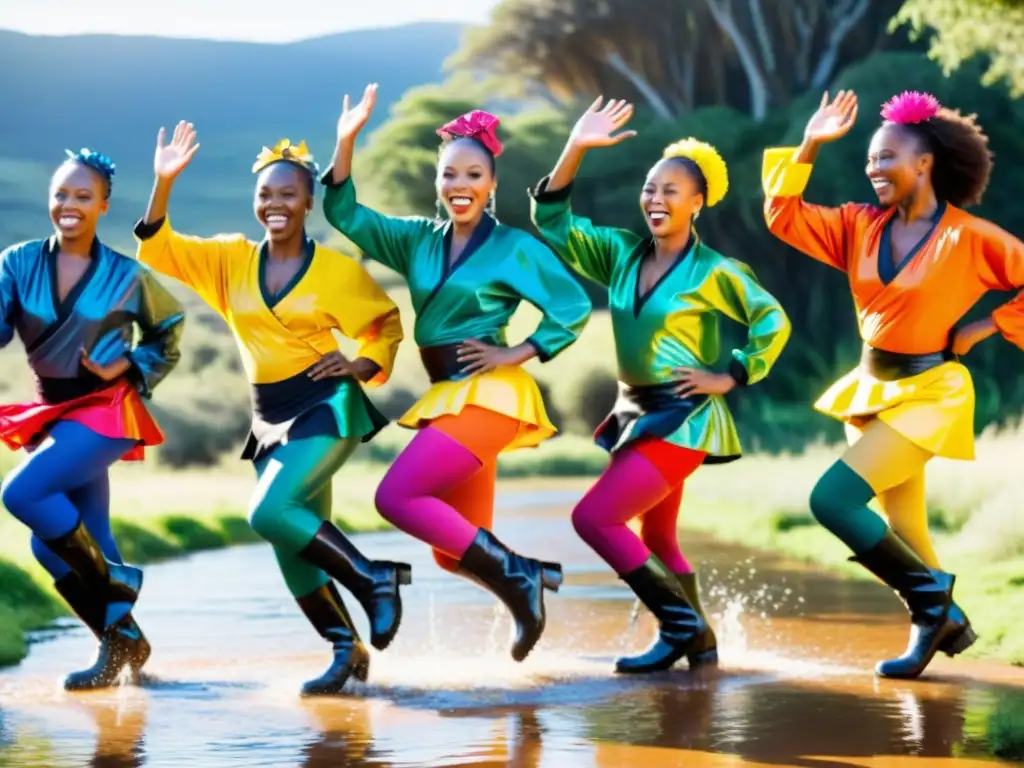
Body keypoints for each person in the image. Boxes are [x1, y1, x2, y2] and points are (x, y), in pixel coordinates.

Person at [133, 124, 409, 695]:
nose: (275, 204)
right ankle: (345, 649)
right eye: (265, 194)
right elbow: (157, 247)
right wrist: (163, 183)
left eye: (288, 193)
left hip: (326, 405)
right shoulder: (229, 260)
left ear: (310, 200)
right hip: (268, 417)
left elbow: (383, 323)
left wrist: (360, 365)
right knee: (293, 546)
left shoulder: (337, 270)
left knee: (268, 511)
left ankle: (374, 578)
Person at [321, 84, 592, 662]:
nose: (459, 187)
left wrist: (513, 352)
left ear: (491, 184)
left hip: (492, 393)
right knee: (451, 552)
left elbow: (569, 306)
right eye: (449, 176)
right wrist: (347, 141)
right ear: (437, 182)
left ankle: (520, 576)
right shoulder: (417, 240)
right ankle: (527, 582)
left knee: (396, 497)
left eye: (472, 176)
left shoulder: (516, 247)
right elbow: (342, 212)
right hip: (448, 394)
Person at [762, 89, 1024, 679]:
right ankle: (943, 619)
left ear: (924, 162)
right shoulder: (858, 226)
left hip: (930, 393)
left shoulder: (969, 237)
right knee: (906, 532)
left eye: (886, 158)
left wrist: (986, 325)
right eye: (869, 161)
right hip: (873, 388)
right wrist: (808, 142)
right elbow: (783, 216)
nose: (874, 169)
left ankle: (932, 604)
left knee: (831, 501)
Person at [530, 97, 792, 674]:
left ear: (697, 203)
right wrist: (575, 146)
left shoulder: (715, 270)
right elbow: (553, 221)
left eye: (671, 190)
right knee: (659, 539)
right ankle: (702, 647)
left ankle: (681, 628)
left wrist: (732, 373)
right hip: (634, 415)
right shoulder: (621, 255)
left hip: (685, 417)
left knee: (593, 519)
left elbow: (772, 319)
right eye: (650, 188)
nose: (655, 198)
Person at [0, 148, 185, 690]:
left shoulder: (128, 275)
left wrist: (128, 362)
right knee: (54, 541)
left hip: (107, 408)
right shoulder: (17, 262)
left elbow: (168, 331)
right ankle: (122, 643)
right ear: (49, 199)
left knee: (21, 497)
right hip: (52, 410)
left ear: (104, 205)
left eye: (83, 196)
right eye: (61, 194)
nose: (69, 204)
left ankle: (118, 583)